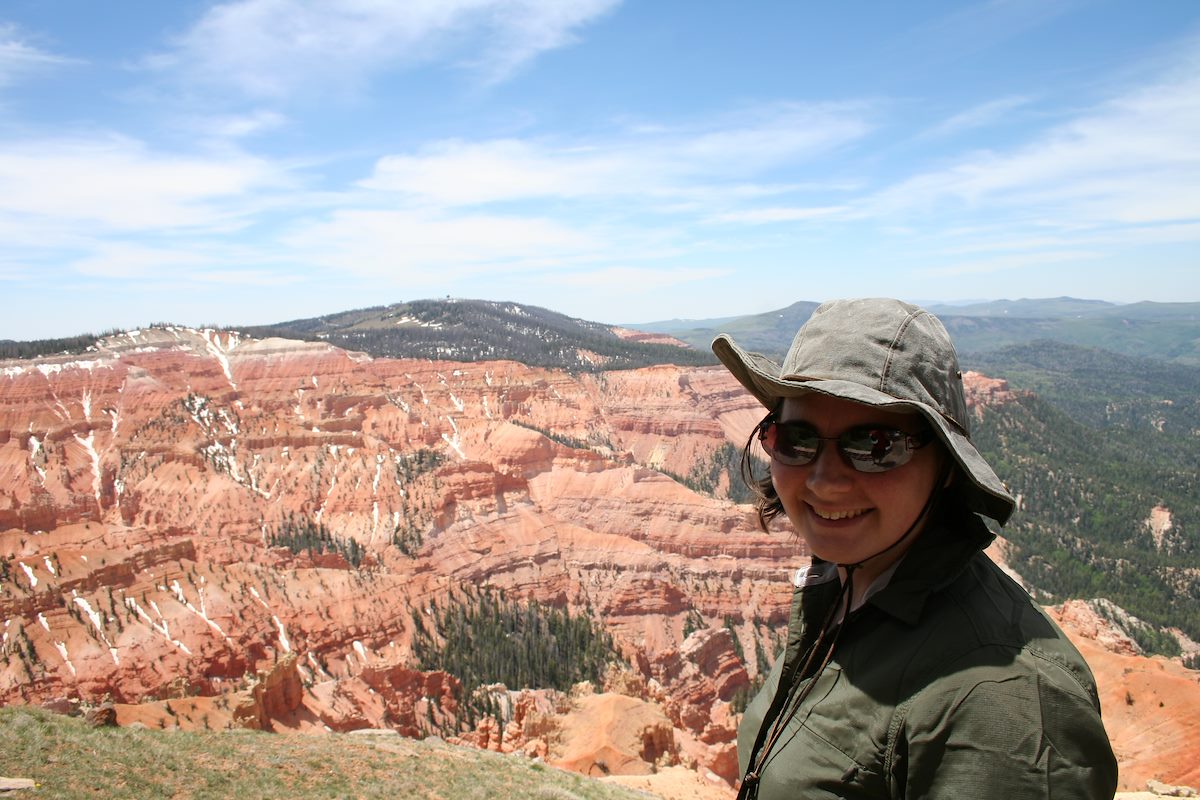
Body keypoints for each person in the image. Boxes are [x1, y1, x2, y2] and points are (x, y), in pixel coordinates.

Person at [712, 298, 1117, 799]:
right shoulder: (844, 586)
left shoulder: (1005, 700)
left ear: (946, 466)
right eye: (796, 440)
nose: (824, 481)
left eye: (876, 445)